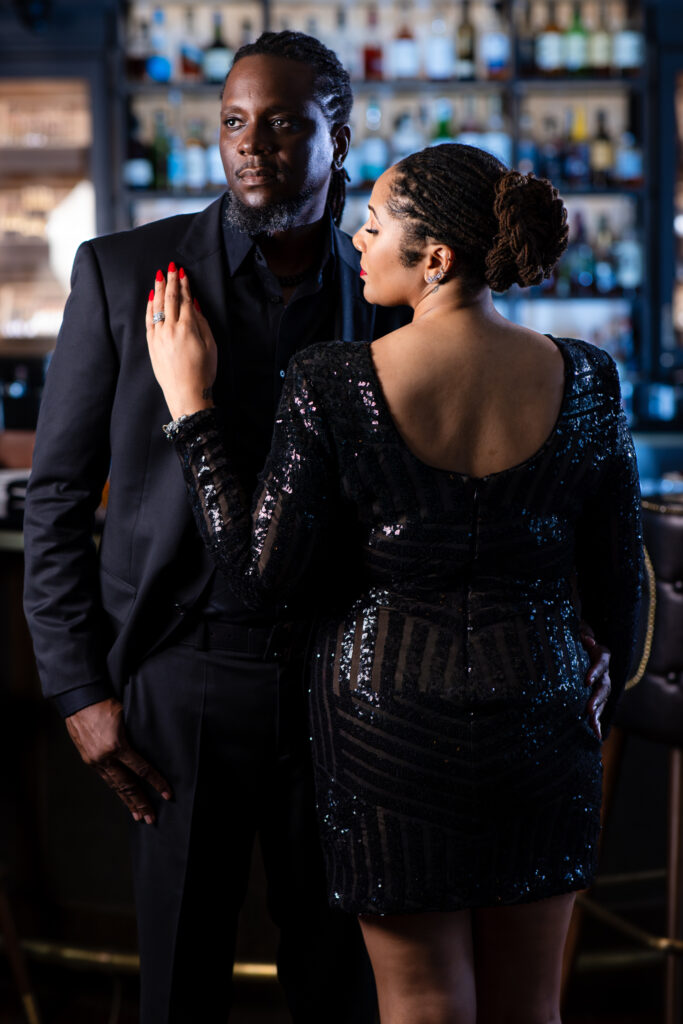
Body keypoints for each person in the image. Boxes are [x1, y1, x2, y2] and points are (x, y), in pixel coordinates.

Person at [146, 143, 643, 1024]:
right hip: (544, 713)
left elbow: (264, 576)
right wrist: (586, 664)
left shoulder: (333, 381)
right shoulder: (591, 379)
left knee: (420, 1005)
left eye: (374, 224)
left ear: (436, 259)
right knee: (533, 1005)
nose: (357, 237)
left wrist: (192, 408)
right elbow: (620, 602)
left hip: (385, 727)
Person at [22, 31, 414, 1024]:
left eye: (282, 123)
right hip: (181, 681)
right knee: (180, 983)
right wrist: (78, 689)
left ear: (339, 135)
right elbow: (59, 498)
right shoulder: (123, 274)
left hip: (339, 680)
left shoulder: (385, 298)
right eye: (235, 122)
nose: (251, 146)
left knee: (338, 983)